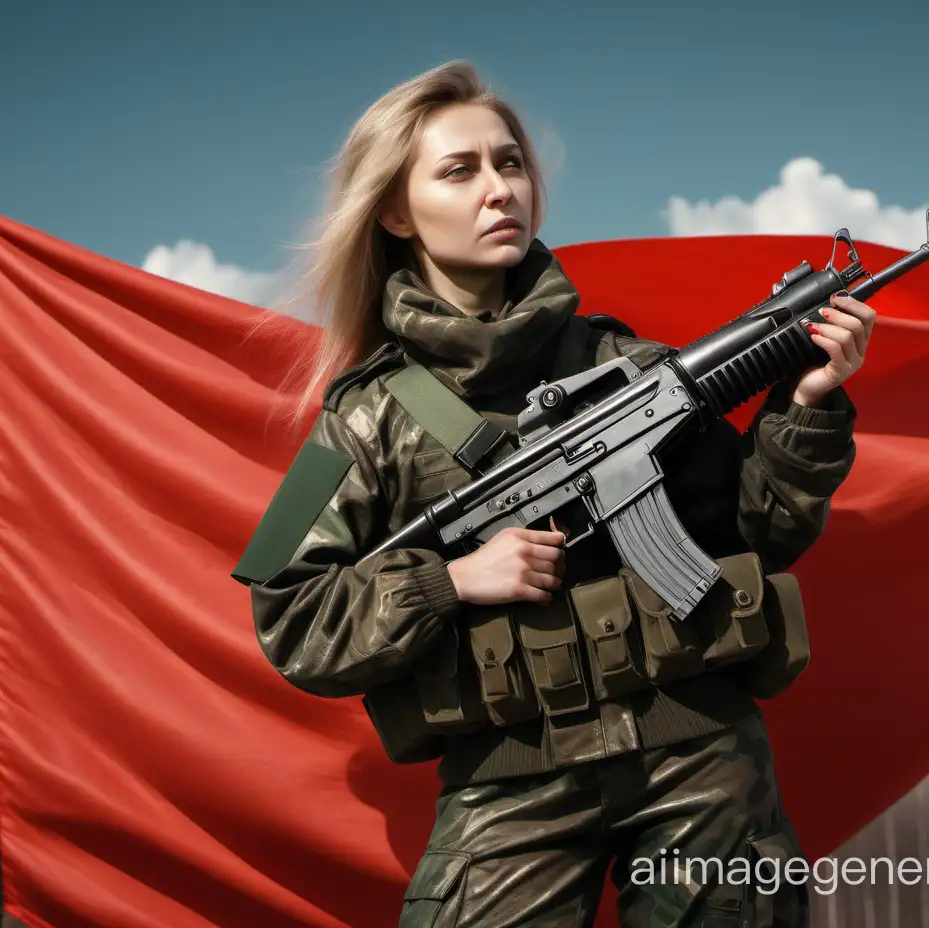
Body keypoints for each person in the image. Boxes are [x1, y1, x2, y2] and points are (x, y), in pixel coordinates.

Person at [240, 60, 870, 928]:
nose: (499, 189)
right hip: (512, 777)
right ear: (393, 210)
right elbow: (287, 612)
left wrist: (806, 407)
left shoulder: (629, 366)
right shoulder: (358, 420)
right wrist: (451, 581)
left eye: (510, 163)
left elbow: (761, 533)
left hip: (701, 764)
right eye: (459, 171)